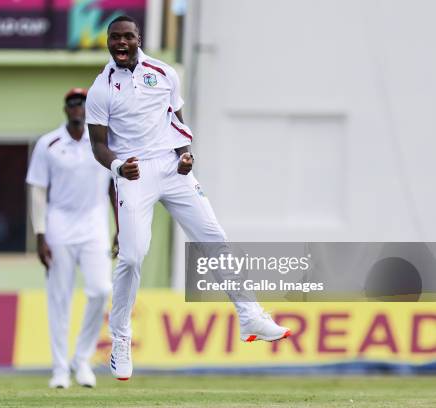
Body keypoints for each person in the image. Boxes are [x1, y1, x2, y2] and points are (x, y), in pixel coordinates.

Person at [86, 16, 291, 381]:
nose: (120, 43)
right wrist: (118, 167)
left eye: (126, 37)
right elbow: (98, 144)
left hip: (173, 169)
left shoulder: (164, 72)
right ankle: (120, 340)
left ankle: (250, 317)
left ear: (138, 39)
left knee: (213, 238)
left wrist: (186, 156)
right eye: (113, 38)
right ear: (108, 42)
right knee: (132, 257)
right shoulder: (101, 88)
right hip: (134, 173)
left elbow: (176, 122)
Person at [26, 88, 116, 389]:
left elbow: (114, 187)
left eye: (83, 104)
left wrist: (121, 227)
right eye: (73, 104)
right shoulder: (48, 144)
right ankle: (60, 370)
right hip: (59, 225)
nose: (78, 109)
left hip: (94, 225)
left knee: (101, 290)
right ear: (66, 109)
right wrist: (40, 235)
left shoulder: (105, 140)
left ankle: (82, 359)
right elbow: (38, 192)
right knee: (59, 299)